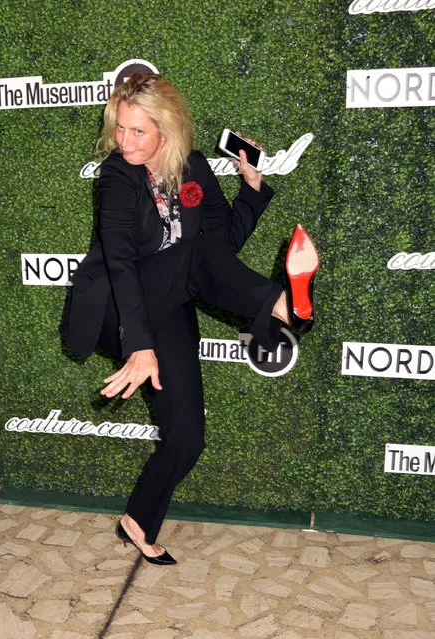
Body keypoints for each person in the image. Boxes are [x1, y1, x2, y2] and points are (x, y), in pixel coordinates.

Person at [64, 72, 319, 565]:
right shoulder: (117, 177)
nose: (125, 141)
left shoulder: (195, 168)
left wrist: (252, 191)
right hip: (124, 309)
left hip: (175, 300)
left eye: (138, 131)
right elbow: (120, 260)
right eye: (120, 128)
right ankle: (286, 306)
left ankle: (136, 521)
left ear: (168, 129)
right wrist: (139, 346)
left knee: (187, 438)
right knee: (195, 254)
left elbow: (223, 248)